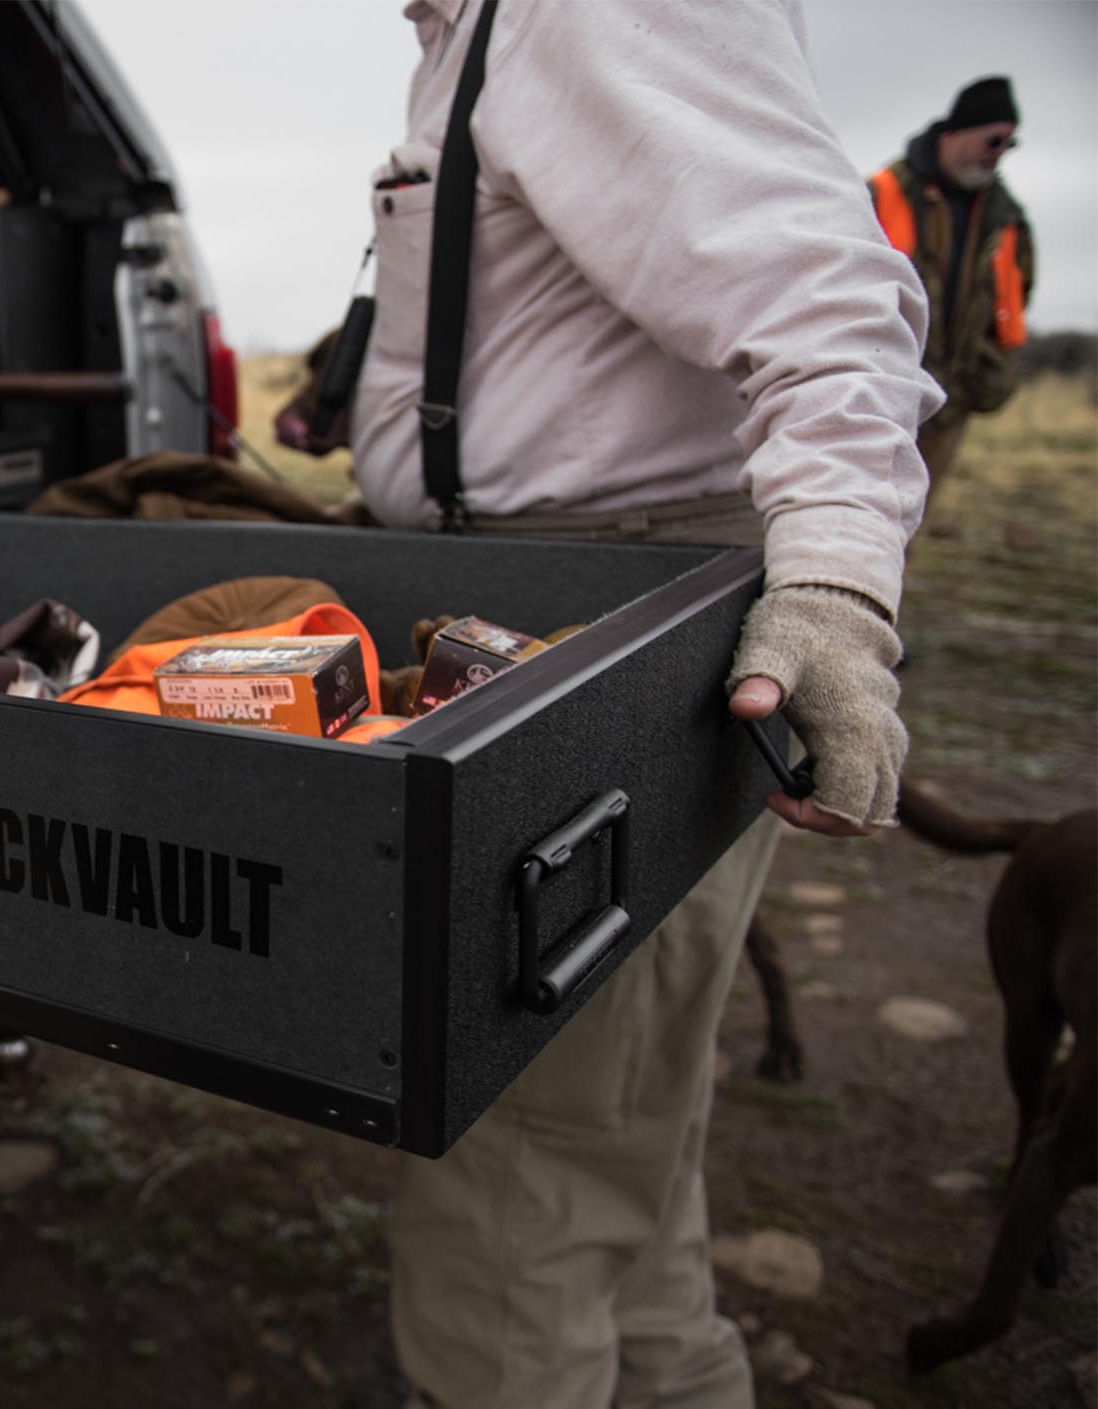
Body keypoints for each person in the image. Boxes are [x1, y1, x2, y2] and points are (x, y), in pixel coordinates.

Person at [345, 4, 938, 1406]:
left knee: (512, 1144)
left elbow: (824, 300)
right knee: (619, 1130)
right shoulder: (473, 31)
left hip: (611, 628)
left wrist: (842, 591)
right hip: (551, 596)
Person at [869, 76, 1035, 518]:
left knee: (910, 519)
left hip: (951, 399)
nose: (999, 151)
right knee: (865, 515)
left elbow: (1018, 293)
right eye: (993, 139)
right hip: (882, 392)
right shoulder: (884, 193)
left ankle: (895, 587)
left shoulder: (1005, 217)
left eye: (1009, 144)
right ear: (954, 133)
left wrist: (984, 368)